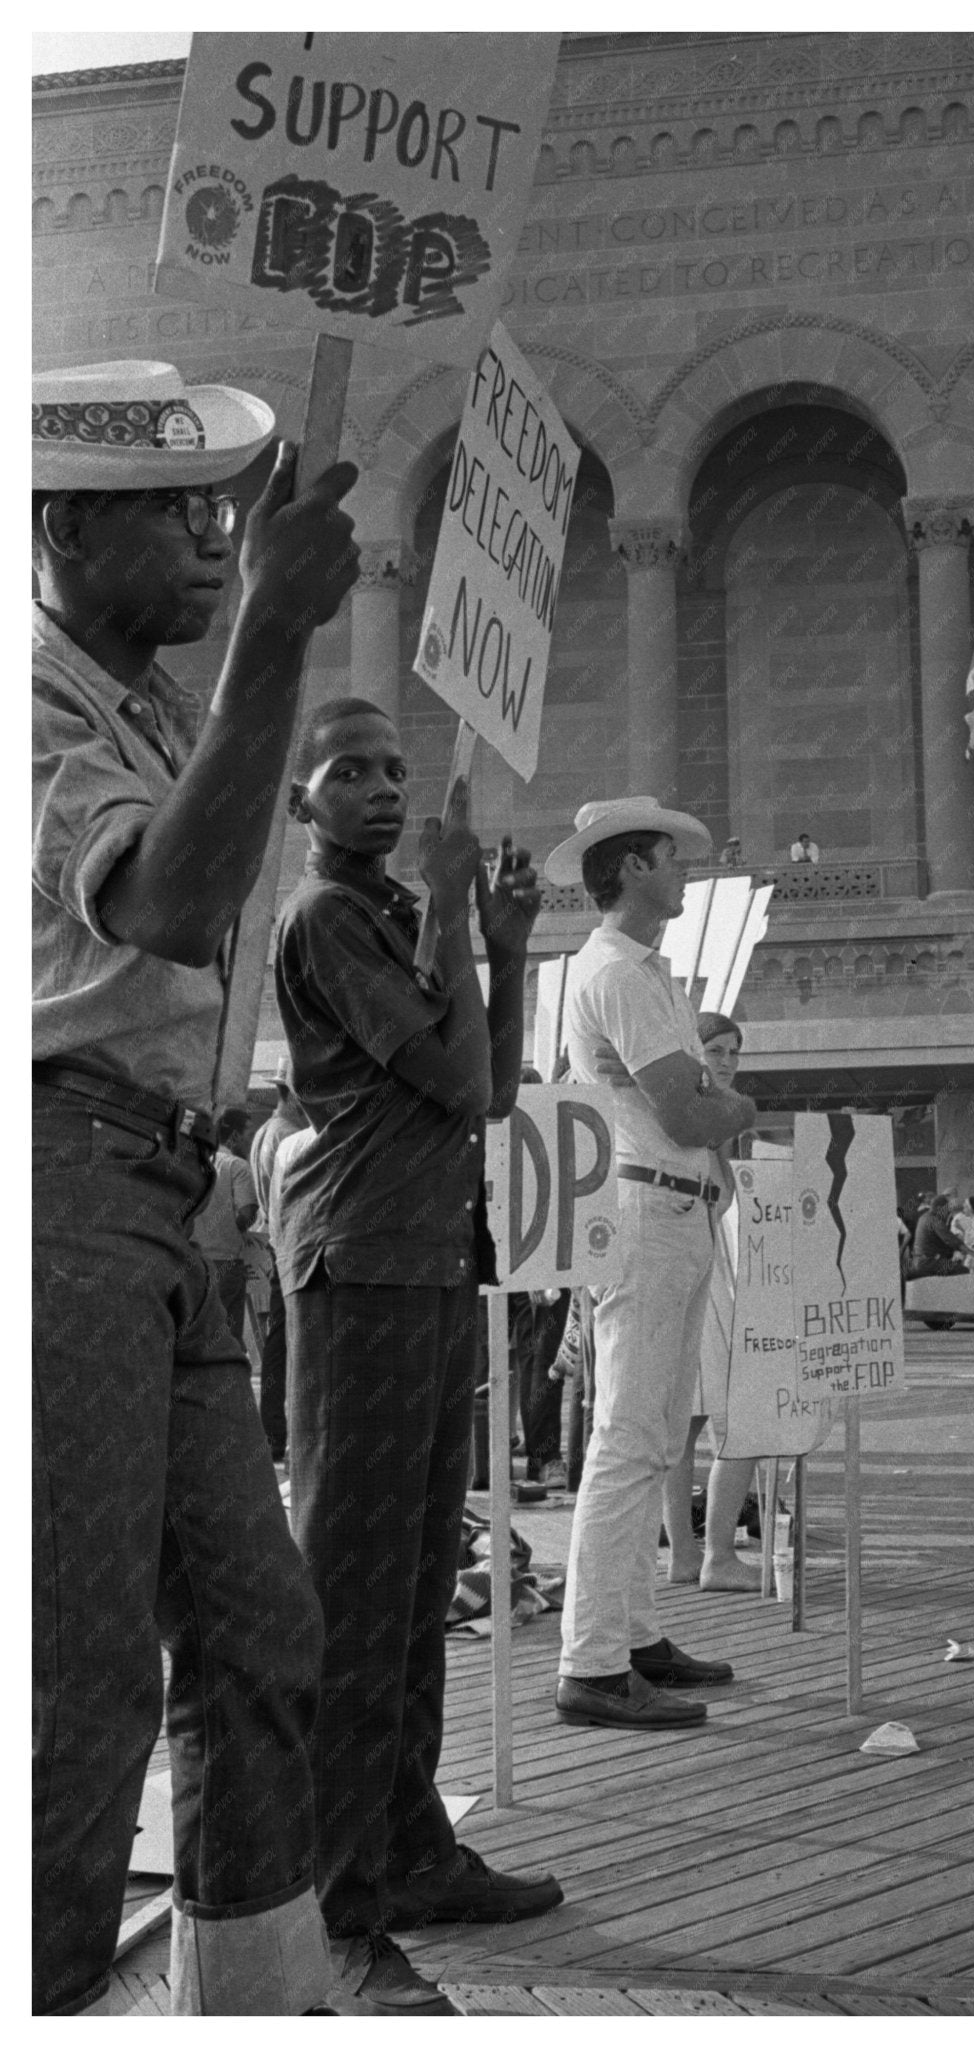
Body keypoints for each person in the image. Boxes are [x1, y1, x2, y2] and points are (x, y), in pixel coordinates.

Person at [32, 358, 359, 2015]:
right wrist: (281, 637)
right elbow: (162, 905)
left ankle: (252, 1986)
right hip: (65, 1181)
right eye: (175, 510)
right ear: (65, 529)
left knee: (255, 1622)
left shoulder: (145, 705)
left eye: (223, 507)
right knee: (80, 1666)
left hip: (161, 1182)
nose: (216, 536)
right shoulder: (33, 703)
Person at [273, 700, 561, 2014]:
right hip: (363, 1265)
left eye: (393, 769)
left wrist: (504, 951)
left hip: (431, 1261)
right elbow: (448, 1083)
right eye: (350, 773)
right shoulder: (328, 917)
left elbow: (493, 1086)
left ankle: (410, 1851)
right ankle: (340, 1905)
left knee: (414, 1575)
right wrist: (453, 909)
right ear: (303, 802)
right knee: (352, 1590)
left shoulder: (393, 913)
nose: (383, 790)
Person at [544, 797, 758, 1732]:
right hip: (651, 1203)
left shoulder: (638, 974)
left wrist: (714, 1099)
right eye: (670, 858)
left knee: (654, 1431)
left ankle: (629, 1636)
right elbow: (691, 1110)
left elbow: (689, 1096)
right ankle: (593, 1659)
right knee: (631, 1436)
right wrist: (737, 1105)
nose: (683, 873)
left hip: (667, 1205)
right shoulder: (622, 977)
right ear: (631, 868)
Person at [661, 1013, 761, 1595]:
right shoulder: (695, 1119)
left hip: (702, 1274)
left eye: (733, 1052)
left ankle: (686, 1553)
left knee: (686, 1423)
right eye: (715, 1050)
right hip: (705, 1279)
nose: (726, 1061)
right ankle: (714, 1554)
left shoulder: (711, 1124)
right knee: (736, 1423)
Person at [248, 1058, 309, 1461]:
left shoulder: (267, 1132)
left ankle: (274, 1432)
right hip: (288, 1245)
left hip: (277, 1243)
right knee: (287, 1347)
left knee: (279, 1345)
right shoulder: (287, 1134)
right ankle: (277, 1433)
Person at [189, 1107, 257, 1344]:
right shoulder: (237, 1166)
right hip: (226, 1262)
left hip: (192, 1261)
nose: (251, 1143)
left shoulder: (191, 1163)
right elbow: (247, 1212)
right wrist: (230, 1228)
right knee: (228, 1341)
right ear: (236, 1136)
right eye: (249, 1136)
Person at [910, 1194, 971, 1277]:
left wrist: (952, 1251)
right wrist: (971, 1252)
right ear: (939, 1208)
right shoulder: (934, 1220)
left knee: (952, 1264)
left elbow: (939, 1243)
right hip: (928, 1262)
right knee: (964, 1270)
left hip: (919, 1261)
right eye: (946, 1210)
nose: (947, 1214)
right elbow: (949, 1239)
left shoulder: (923, 1217)